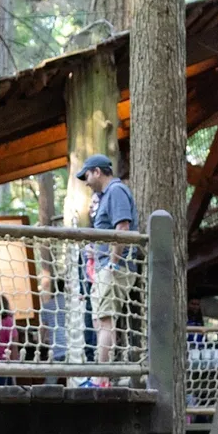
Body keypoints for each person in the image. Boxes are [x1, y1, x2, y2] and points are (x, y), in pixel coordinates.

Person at [76, 154, 137, 382]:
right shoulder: (104, 196)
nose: (86, 181)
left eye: (87, 175)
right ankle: (101, 376)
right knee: (98, 320)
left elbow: (122, 226)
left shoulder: (116, 191)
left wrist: (112, 262)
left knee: (105, 319)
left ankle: (101, 378)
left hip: (114, 267)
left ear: (97, 172)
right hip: (102, 267)